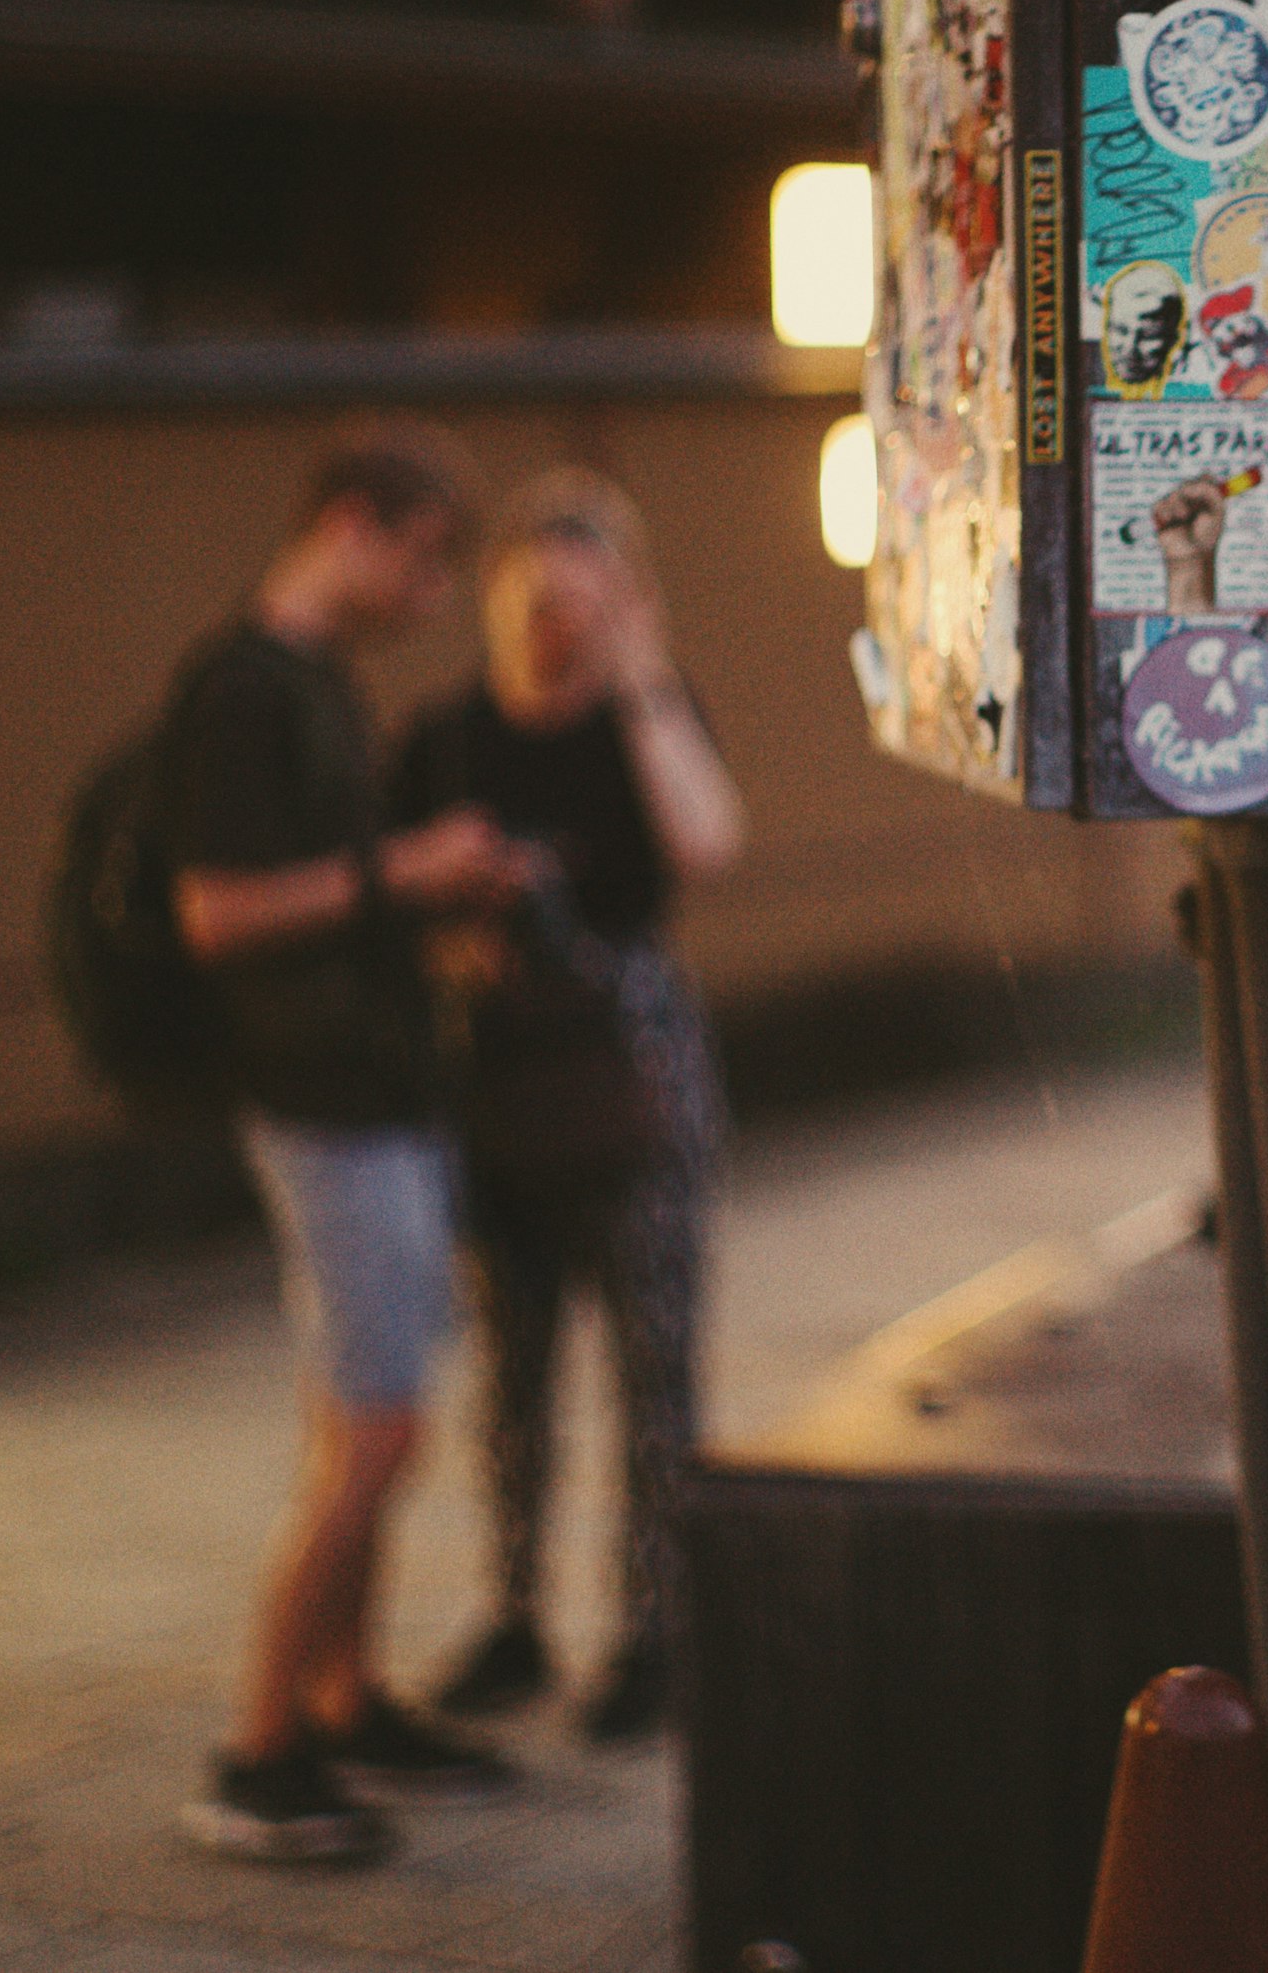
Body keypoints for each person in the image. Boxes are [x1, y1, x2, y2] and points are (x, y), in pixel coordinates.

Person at [162, 418, 536, 1863]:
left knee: (365, 1417)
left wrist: (435, 922)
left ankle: (346, 1698)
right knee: (376, 1432)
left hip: (375, 1087)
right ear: (358, 525)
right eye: (431, 561)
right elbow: (221, 911)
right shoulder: (243, 690)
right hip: (319, 1102)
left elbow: (332, 898)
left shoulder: (317, 683)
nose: (435, 599)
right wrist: (416, 868)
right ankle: (257, 1751)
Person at [397, 471, 745, 1743]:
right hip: (497, 1095)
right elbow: (392, 908)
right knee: (511, 1374)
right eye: (536, 598)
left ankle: (654, 1635)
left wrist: (646, 674)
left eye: (585, 605)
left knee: (657, 1375)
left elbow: (707, 846)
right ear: (493, 597)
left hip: (637, 1092)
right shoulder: (441, 740)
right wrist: (455, 944)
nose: (556, 626)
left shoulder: (641, 721)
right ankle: (513, 1619)